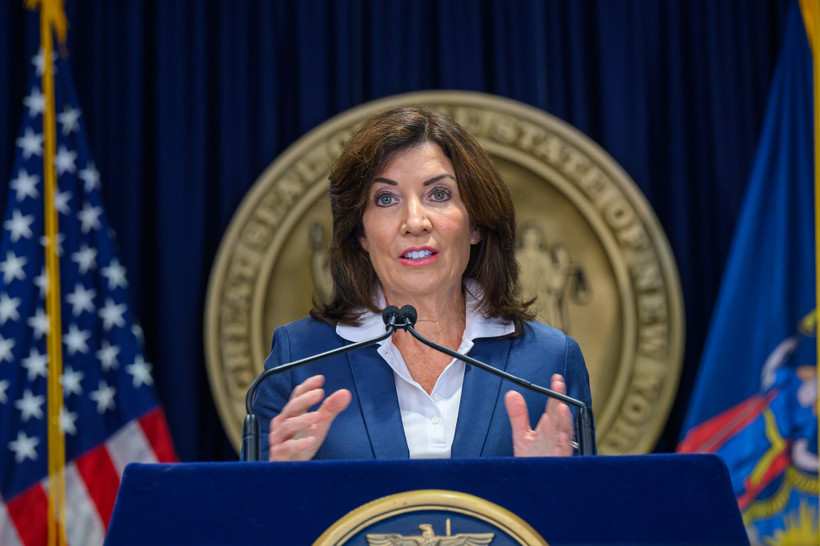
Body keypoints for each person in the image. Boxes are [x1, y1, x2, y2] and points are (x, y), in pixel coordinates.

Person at [253, 106, 592, 461]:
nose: (415, 222)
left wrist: (550, 486)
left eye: (439, 195)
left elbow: (591, 513)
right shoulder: (299, 359)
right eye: (386, 199)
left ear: (476, 224)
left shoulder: (551, 360)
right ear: (361, 233)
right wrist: (278, 480)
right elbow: (251, 514)